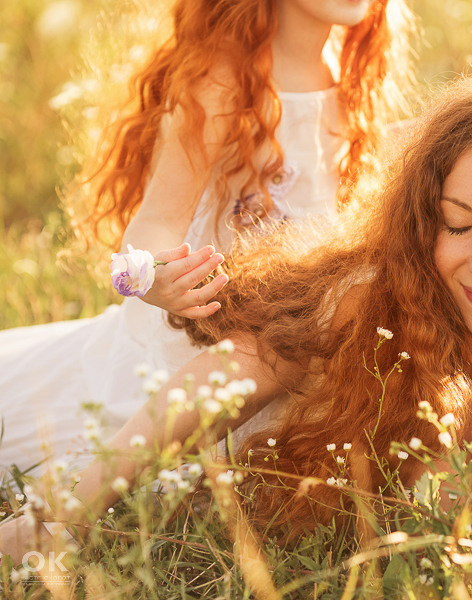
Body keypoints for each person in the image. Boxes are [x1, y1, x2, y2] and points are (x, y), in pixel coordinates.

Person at [0, 65, 472, 559]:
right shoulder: (373, 299)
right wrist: (55, 517)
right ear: (420, 221)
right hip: (102, 420)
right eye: (456, 224)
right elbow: (226, 378)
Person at [0, 0, 416, 472]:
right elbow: (156, 219)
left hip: (283, 343)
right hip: (189, 351)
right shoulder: (225, 81)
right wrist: (149, 275)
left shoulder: (356, 74)